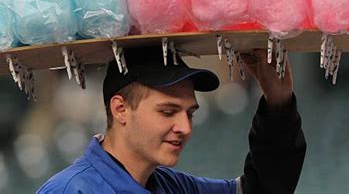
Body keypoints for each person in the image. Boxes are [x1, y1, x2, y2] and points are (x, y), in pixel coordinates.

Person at [37, 46, 306, 193]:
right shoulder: (70, 190)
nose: (185, 128)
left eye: (190, 113)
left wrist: (279, 102)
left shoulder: (172, 186)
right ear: (120, 109)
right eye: (167, 111)